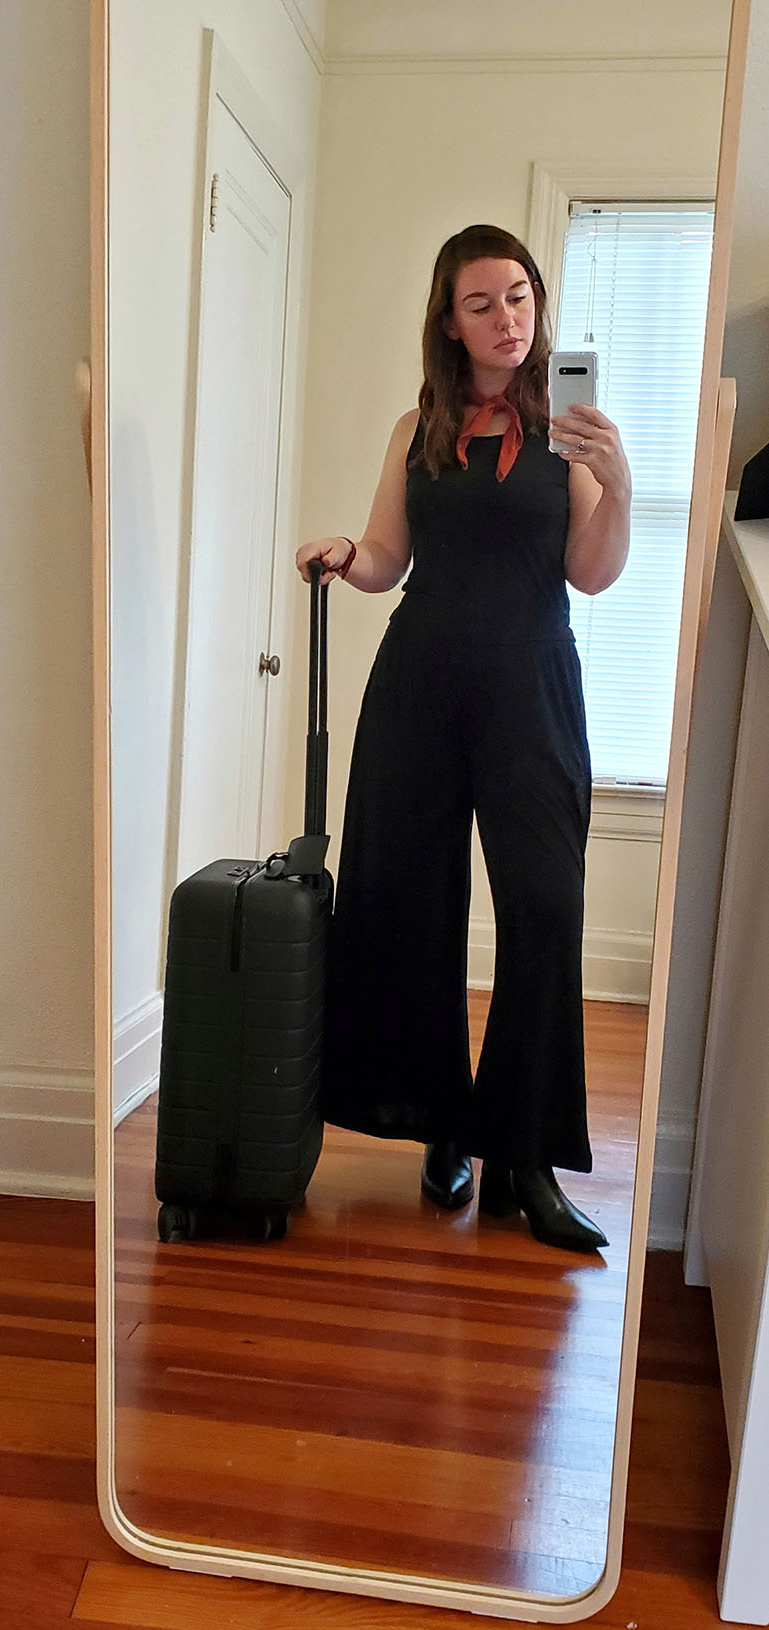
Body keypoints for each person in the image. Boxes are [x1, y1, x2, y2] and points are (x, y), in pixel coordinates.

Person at [295, 223, 631, 1254]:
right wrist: (346, 553)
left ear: (538, 305)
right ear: (447, 319)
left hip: (530, 687)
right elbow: (387, 557)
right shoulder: (418, 427)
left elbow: (591, 571)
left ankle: (518, 1157)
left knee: (543, 903)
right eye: (480, 301)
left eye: (519, 296)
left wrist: (616, 481)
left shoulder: (565, 431)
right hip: (420, 684)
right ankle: (438, 1122)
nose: (505, 318)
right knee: (406, 900)